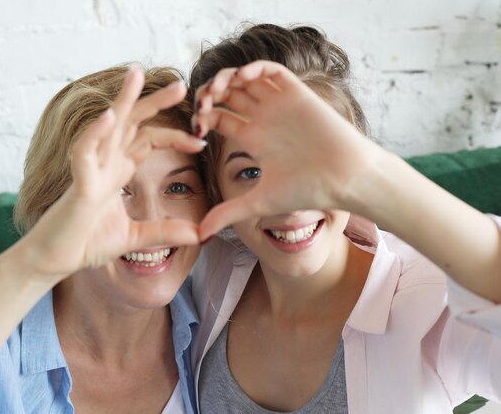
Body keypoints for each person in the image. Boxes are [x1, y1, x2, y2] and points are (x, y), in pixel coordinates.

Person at [188, 23, 501, 414]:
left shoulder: (428, 300)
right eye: (250, 172)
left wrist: (382, 182)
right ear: (217, 188)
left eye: (312, 161)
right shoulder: (204, 276)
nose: (289, 199)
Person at [0, 65, 208, 414]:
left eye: (178, 187)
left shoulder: (219, 320)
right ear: (53, 207)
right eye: (117, 188)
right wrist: (35, 262)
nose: (151, 218)